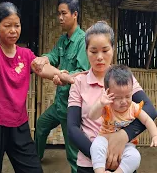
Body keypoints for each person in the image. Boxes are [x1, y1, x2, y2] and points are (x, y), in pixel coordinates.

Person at [0, 1, 75, 173]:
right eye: (7, 25)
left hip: (18, 125)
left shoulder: (25, 54)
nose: (13, 30)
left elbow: (41, 67)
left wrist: (62, 75)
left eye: (17, 25)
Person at [67, 21, 157, 173]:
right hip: (91, 163)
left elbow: (150, 110)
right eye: (93, 51)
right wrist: (101, 158)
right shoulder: (79, 83)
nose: (100, 57)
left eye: (105, 50)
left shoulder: (124, 79)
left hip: (122, 160)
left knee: (135, 158)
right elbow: (72, 128)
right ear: (86, 51)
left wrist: (124, 135)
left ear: (113, 49)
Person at [33, 0, 90, 172]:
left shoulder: (83, 41)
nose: (59, 18)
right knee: (41, 125)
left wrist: (62, 77)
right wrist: (44, 58)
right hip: (59, 104)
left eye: (63, 13)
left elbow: (82, 73)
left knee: (73, 153)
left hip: (72, 106)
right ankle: (35, 161)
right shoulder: (63, 40)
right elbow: (54, 56)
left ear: (75, 14)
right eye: (58, 13)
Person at [88, 64, 157, 173]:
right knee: (96, 146)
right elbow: (92, 116)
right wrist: (100, 104)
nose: (124, 101)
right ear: (108, 94)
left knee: (135, 157)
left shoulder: (133, 107)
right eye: (118, 98)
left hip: (127, 144)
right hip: (105, 140)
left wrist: (154, 135)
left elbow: (147, 120)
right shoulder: (107, 106)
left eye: (128, 96)